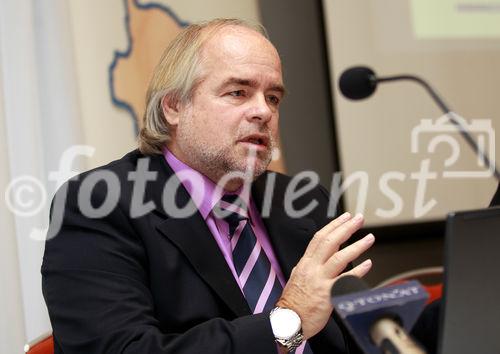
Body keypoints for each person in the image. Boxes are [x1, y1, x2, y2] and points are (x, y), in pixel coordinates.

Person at [42, 19, 374, 353]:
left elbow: (359, 338)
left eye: (273, 97)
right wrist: (287, 320)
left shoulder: (301, 200)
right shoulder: (98, 205)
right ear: (173, 106)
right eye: (238, 92)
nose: (263, 111)